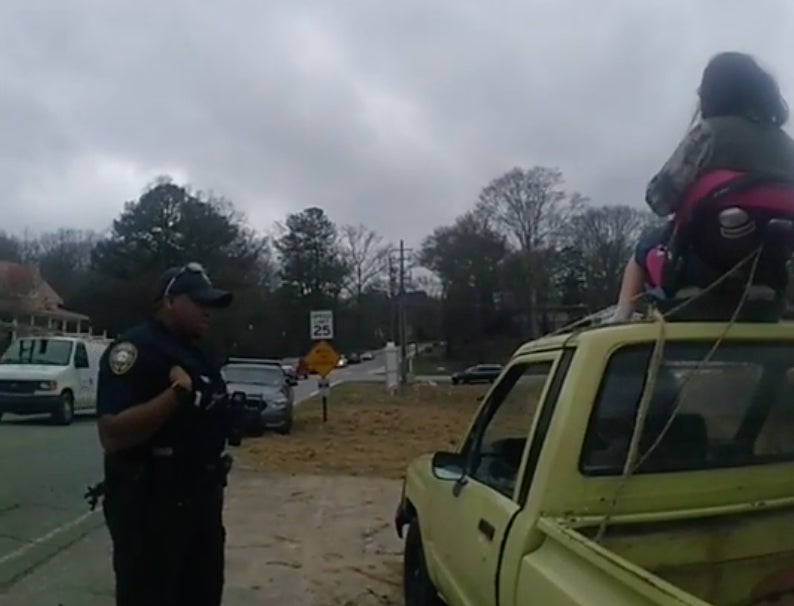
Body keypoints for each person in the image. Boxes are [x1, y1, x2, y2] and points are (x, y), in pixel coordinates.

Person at [611, 51, 794, 322]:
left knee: (643, 247)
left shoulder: (708, 133)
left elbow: (659, 200)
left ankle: (621, 315)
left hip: (700, 267)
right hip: (772, 268)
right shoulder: (786, 145)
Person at [95, 262, 235, 606]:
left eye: (211, 304)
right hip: (151, 509)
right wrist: (175, 396)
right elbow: (112, 434)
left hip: (200, 500)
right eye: (200, 301)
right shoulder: (136, 350)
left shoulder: (199, 353)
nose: (208, 311)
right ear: (170, 301)